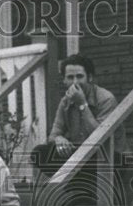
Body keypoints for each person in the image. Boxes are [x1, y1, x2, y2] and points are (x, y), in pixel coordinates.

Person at [31, 54, 126, 190]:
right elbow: (53, 135)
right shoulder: (65, 101)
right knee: (39, 153)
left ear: (90, 78)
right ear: (64, 80)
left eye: (80, 76)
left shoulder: (106, 99)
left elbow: (101, 138)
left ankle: (78, 188)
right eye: (70, 77)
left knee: (94, 161)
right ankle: (78, 187)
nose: (75, 82)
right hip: (81, 157)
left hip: (109, 156)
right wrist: (59, 139)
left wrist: (82, 104)